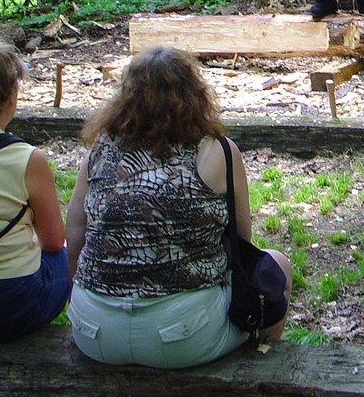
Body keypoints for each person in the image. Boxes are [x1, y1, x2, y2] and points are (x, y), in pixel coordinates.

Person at [66, 46, 291, 368]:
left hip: (94, 331)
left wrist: (82, 295)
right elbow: (240, 243)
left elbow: (75, 232)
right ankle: (259, 370)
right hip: (181, 335)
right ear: (195, 94)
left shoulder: (100, 149)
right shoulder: (219, 152)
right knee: (277, 265)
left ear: (126, 96)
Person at [0, 42, 69, 344]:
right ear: (12, 97)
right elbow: (52, 241)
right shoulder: (26, 158)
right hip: (7, 304)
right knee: (64, 253)